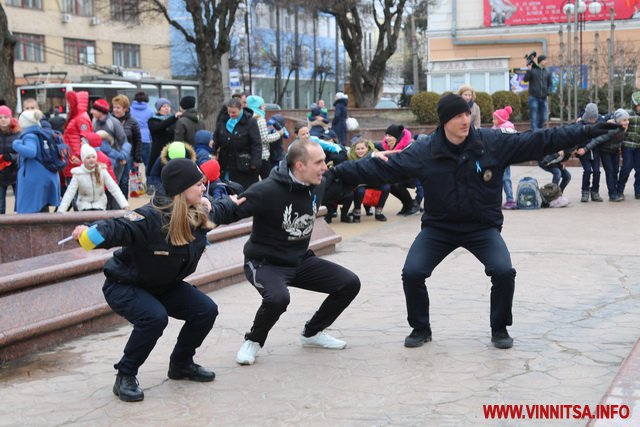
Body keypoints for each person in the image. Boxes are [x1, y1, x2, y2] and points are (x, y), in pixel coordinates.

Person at [327, 93, 621, 350]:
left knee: (504, 271)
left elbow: (539, 139)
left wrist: (585, 131)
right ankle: (420, 328)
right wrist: (338, 175)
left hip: (481, 227)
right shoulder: (424, 151)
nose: (465, 120)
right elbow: (380, 168)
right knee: (413, 273)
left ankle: (499, 328)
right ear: (445, 121)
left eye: (467, 113)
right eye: (457, 115)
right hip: (439, 228)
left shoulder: (491, 143)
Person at [69, 158, 244, 402]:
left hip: (163, 284)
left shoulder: (196, 214)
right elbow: (116, 228)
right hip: (126, 284)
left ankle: (181, 364)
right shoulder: (149, 218)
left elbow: (221, 209)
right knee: (154, 317)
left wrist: (236, 201)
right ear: (182, 188)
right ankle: (125, 376)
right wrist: (87, 234)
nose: (203, 189)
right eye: (198, 184)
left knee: (205, 310)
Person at [232, 138, 361, 366]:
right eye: (319, 162)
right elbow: (230, 210)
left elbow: (352, 174)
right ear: (300, 166)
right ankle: (253, 341)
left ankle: (312, 333)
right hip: (264, 263)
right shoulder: (268, 190)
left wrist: (380, 162)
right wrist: (207, 207)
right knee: (278, 298)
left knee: (349, 283)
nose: (325, 167)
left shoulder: (319, 183)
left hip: (299, 260)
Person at [12, 110, 61, 213]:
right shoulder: (39, 134)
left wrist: (16, 144)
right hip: (45, 176)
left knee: (31, 209)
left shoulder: (29, 135)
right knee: (42, 207)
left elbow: (31, 152)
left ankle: (36, 229)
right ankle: (45, 229)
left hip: (34, 178)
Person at [58, 144, 129, 212]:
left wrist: (124, 204)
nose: (91, 160)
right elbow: (69, 193)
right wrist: (61, 210)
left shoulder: (102, 171)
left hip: (100, 207)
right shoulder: (78, 174)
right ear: (83, 160)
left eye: (93, 157)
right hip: (84, 208)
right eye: (88, 158)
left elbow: (114, 188)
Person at [213, 98, 261, 190]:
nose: (231, 115)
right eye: (229, 112)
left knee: (241, 190)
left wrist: (255, 163)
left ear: (241, 109)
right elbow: (217, 136)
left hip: (243, 164)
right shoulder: (223, 120)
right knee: (226, 188)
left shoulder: (250, 122)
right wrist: (213, 152)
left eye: (234, 112)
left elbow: (256, 143)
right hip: (225, 162)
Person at [346, 138, 390, 222]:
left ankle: (379, 212)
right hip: (359, 183)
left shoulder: (375, 155)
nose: (360, 151)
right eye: (358, 149)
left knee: (386, 187)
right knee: (360, 191)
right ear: (354, 150)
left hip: (374, 181)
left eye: (362, 148)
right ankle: (356, 211)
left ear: (367, 148)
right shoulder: (350, 157)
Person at [380, 124, 419, 216]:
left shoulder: (408, 148)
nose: (387, 138)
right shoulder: (388, 147)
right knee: (389, 184)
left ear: (397, 137)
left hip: (413, 175)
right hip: (400, 174)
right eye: (386, 135)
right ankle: (407, 204)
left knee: (395, 183)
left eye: (390, 136)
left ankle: (411, 204)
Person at [112, 95, 143, 200]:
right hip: (113, 155)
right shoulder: (109, 120)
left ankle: (123, 205)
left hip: (127, 156)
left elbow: (138, 141)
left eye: (118, 107)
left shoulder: (132, 122)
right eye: (114, 107)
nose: (115, 110)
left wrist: (137, 158)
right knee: (113, 180)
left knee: (124, 181)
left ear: (125, 109)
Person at [246, 95, 284, 179]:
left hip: (250, 155)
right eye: (263, 105)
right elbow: (265, 139)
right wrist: (278, 133)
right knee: (267, 180)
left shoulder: (247, 117)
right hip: (263, 155)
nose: (264, 107)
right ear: (258, 106)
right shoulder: (260, 119)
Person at [62, 91, 93, 186]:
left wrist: (81, 159)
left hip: (75, 161)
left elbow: (86, 140)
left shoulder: (80, 118)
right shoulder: (78, 117)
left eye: (69, 102)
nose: (68, 105)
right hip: (73, 160)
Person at [148, 98, 179, 185]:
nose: (166, 108)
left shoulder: (174, 120)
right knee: (154, 168)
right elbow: (159, 127)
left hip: (171, 149)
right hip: (157, 150)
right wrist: (173, 118)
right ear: (159, 108)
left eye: (168, 106)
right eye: (164, 106)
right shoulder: (153, 120)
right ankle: (151, 184)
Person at [577, 103, 604, 202]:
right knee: (587, 171)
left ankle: (595, 192)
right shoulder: (580, 124)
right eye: (590, 118)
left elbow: (606, 117)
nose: (592, 121)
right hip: (584, 153)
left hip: (595, 152)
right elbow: (574, 136)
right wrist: (577, 149)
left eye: (594, 118)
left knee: (597, 171)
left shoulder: (599, 121)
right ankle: (585, 192)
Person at [491, 106, 517, 209]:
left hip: (505, 157)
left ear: (501, 119)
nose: (493, 120)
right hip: (496, 158)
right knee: (497, 179)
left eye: (495, 118)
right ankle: (497, 200)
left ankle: (510, 199)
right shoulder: (494, 128)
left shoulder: (508, 129)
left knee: (506, 178)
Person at [616, 91, 640, 200]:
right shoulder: (628, 114)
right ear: (635, 105)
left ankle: (638, 191)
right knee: (626, 167)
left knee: (639, 169)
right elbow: (615, 118)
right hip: (628, 146)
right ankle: (620, 190)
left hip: (638, 147)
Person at [523, 54, 552, 130]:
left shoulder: (547, 71)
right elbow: (525, 79)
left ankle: (539, 130)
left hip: (543, 97)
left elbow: (549, 83)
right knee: (534, 116)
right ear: (540, 61)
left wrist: (548, 92)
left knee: (544, 117)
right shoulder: (533, 70)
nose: (546, 62)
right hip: (533, 97)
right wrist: (529, 70)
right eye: (544, 60)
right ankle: (535, 132)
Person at [0, 105, 20, 214]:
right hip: (0, 173)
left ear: (10, 118)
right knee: (0, 206)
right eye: (0, 117)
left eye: (5, 117)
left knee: (19, 205)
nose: (3, 120)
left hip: (15, 172)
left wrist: (12, 157)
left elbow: (21, 153)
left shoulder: (17, 134)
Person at [129, 91, 155, 170]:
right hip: (146, 139)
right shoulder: (150, 111)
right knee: (147, 163)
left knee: (133, 162)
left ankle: (134, 179)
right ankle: (148, 180)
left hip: (132, 138)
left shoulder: (129, 110)